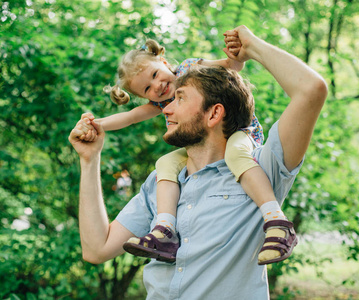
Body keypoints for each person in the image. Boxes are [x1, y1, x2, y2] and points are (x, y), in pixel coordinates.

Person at [69, 25, 328, 299]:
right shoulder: (160, 184)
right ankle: (164, 233)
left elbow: (311, 89)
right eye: (151, 92)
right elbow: (97, 249)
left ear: (214, 113)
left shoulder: (264, 167)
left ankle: (277, 222)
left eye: (179, 98)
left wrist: (251, 47)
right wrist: (90, 157)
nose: (165, 107)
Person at [78, 36, 295, 265]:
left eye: (154, 75)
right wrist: (97, 124)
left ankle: (275, 219)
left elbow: (230, 66)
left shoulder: (189, 68)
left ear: (162, 60)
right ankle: (165, 230)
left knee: (235, 155)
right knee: (165, 164)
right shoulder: (161, 103)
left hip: (241, 131)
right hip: (205, 143)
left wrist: (237, 57)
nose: (157, 86)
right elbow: (130, 118)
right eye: (147, 89)